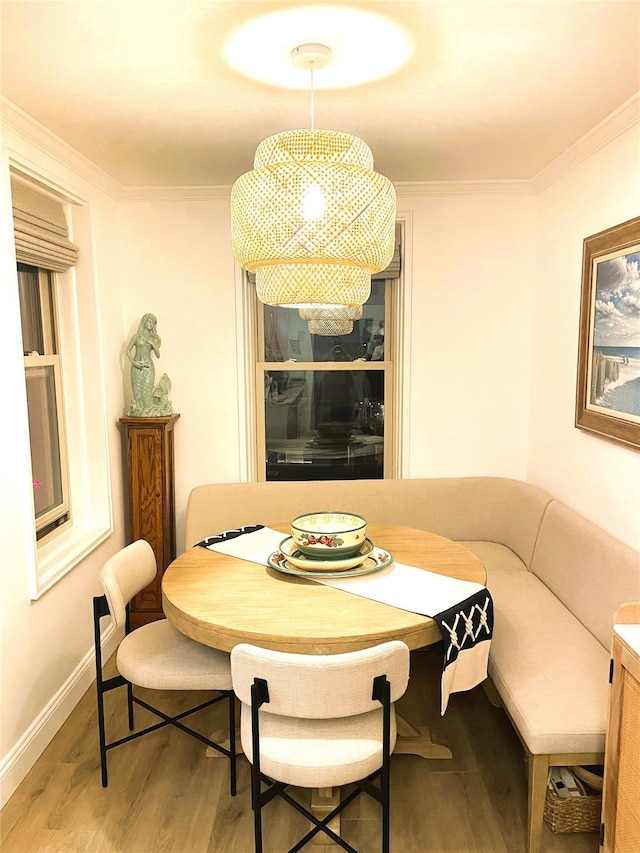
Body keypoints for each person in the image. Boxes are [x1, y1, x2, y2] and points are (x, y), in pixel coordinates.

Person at [126, 314, 172, 416]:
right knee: (137, 392)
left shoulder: (153, 338)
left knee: (146, 391)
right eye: (149, 321)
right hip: (136, 366)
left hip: (148, 367)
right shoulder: (136, 336)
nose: (150, 324)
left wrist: (152, 343)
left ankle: (148, 409)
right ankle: (139, 410)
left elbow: (158, 355)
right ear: (144, 322)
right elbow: (128, 350)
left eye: (153, 323)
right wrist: (134, 362)